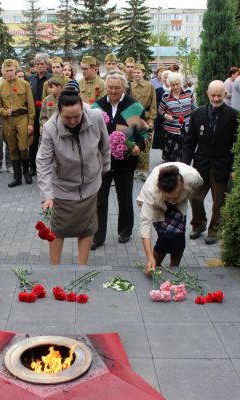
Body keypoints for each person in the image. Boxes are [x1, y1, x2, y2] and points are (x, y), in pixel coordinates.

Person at [36, 86, 111, 265]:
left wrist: (105, 169)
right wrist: (47, 194)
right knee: (58, 228)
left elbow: (104, 146)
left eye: (76, 116)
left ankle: (82, 266)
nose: (72, 121)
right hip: (63, 185)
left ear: (82, 109)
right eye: (67, 117)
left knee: (86, 228)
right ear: (58, 112)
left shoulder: (95, 117)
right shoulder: (50, 128)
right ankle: (55, 266)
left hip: (91, 183)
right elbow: (43, 162)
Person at [90, 71, 147, 250]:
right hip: (102, 161)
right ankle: (97, 236)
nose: (113, 91)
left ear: (125, 88)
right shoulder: (96, 107)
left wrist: (139, 146)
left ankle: (125, 231)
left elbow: (144, 133)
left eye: (117, 88)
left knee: (124, 196)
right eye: (110, 87)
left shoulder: (134, 106)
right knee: (100, 198)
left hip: (126, 160)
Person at [181, 80, 239, 245]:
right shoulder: (197, 114)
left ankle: (215, 230)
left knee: (219, 202)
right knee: (195, 197)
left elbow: (238, 144)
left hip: (222, 165)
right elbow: (189, 142)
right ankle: (198, 225)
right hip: (201, 163)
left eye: (219, 95)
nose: (215, 99)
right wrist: (184, 165)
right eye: (213, 95)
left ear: (225, 94)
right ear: (207, 94)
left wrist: (235, 167)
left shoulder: (234, 116)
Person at [137, 163, 203, 274]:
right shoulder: (151, 192)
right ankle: (154, 264)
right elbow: (145, 224)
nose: (172, 200)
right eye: (169, 197)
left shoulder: (193, 178)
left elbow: (199, 188)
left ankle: (174, 269)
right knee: (165, 237)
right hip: (159, 204)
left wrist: (183, 196)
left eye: (175, 195)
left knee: (179, 236)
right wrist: (149, 257)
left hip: (180, 203)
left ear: (181, 184)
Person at [0, 59, 36, 187]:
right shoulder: (0, 87)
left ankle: (26, 173)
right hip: (8, 120)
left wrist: (31, 123)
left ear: (15, 70)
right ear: (3, 72)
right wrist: (4, 112)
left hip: (22, 118)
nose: (10, 73)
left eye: (11, 70)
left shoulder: (24, 84)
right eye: (7, 71)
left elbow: (31, 105)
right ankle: (17, 177)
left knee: (23, 147)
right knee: (12, 148)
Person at [159, 72, 197, 162]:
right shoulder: (166, 96)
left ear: (180, 83)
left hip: (187, 128)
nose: (175, 87)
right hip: (171, 130)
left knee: (185, 156)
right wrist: (166, 115)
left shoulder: (189, 93)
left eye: (177, 84)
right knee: (173, 158)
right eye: (173, 85)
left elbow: (195, 108)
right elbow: (161, 110)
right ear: (169, 85)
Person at [27, 54, 53, 177]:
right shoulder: (30, 79)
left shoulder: (51, 79)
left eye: (42, 64)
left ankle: (49, 166)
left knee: (47, 141)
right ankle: (32, 166)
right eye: (37, 64)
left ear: (47, 65)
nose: (40, 66)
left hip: (47, 114)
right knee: (33, 141)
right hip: (33, 114)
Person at [131, 63, 157, 181]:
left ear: (143, 73)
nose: (136, 74)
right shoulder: (129, 86)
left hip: (146, 118)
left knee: (146, 143)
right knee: (134, 143)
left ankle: (145, 170)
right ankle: (136, 169)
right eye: (134, 72)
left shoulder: (149, 86)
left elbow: (153, 104)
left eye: (138, 72)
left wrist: (151, 119)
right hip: (133, 118)